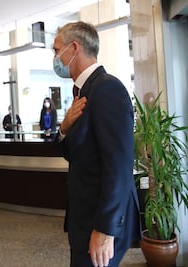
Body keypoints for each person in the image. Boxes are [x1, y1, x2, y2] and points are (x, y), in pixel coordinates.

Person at [52, 21, 141, 267]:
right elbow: (73, 153)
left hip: (101, 222)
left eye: (56, 49)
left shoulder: (107, 88)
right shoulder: (84, 92)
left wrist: (105, 229)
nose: (55, 57)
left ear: (74, 47)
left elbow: (119, 164)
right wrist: (64, 128)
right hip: (85, 217)